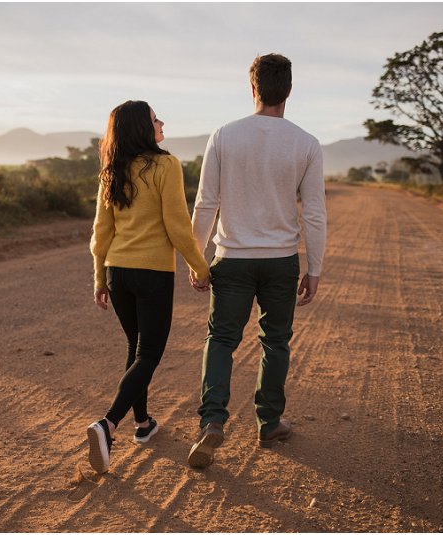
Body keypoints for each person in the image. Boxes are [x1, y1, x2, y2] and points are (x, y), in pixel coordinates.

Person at [187, 53, 327, 469]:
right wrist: (314, 267)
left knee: (222, 340)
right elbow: (315, 211)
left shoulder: (224, 136)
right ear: (288, 92)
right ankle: (269, 422)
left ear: (253, 89)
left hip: (232, 258)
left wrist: (198, 259)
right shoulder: (306, 143)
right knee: (276, 340)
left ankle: (212, 420)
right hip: (281, 260)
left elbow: (205, 204)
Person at [87, 100, 211, 475]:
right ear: (143, 127)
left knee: (136, 347)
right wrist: (200, 266)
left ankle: (143, 424)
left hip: (117, 272)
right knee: (149, 353)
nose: (162, 122)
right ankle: (107, 425)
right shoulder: (165, 165)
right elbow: (176, 224)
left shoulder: (112, 170)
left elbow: (101, 232)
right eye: (156, 118)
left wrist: (98, 278)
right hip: (152, 273)